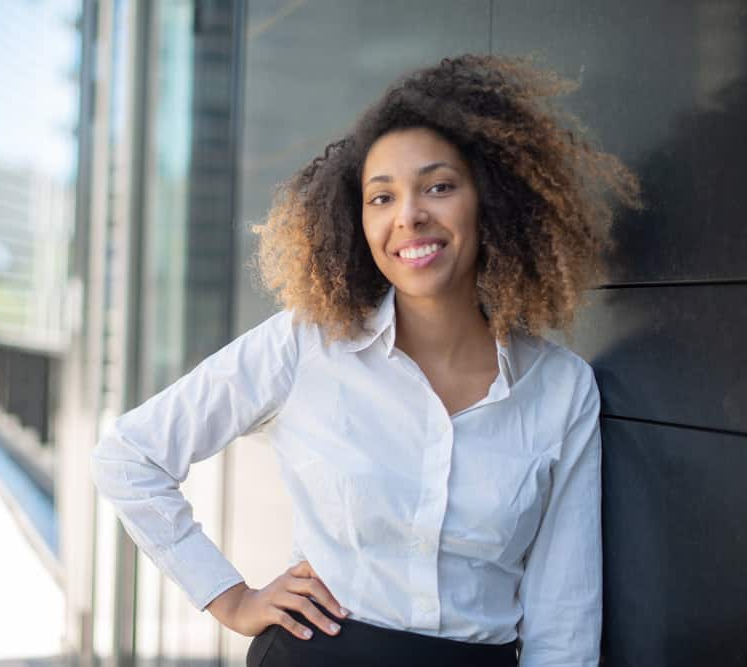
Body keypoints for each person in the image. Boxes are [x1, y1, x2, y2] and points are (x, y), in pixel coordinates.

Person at [90, 53, 642, 667]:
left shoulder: (561, 388)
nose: (408, 215)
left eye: (438, 186)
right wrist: (230, 598)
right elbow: (129, 456)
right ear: (356, 219)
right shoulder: (304, 345)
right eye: (381, 197)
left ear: (493, 202)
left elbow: (564, 617)